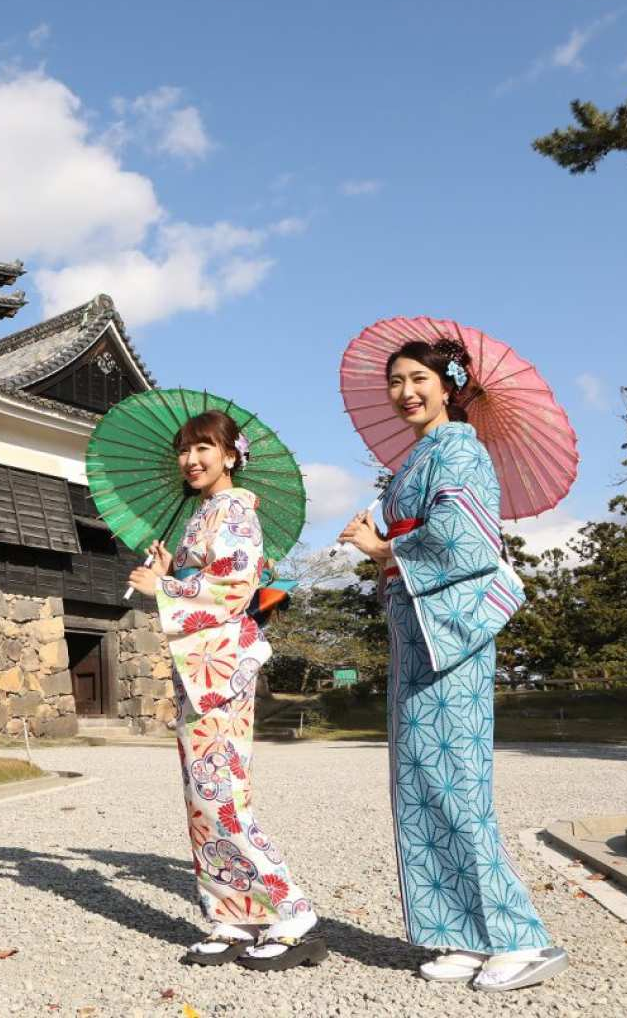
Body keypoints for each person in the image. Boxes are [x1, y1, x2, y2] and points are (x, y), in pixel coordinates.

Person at [338, 338, 567, 992]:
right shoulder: (420, 456)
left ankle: (521, 938)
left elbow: (465, 539)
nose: (405, 391)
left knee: (458, 784)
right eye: (396, 381)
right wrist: (383, 540)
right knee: (422, 783)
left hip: (451, 634)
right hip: (419, 630)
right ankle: (464, 934)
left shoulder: (461, 449)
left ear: (448, 386)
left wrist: (380, 548)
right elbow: (414, 528)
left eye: (418, 378)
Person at [128, 410, 323, 971]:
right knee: (201, 800)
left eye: (202, 449)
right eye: (184, 451)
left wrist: (163, 585)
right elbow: (202, 582)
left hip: (220, 671)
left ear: (231, 455)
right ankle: (234, 914)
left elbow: (235, 591)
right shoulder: (204, 515)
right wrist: (172, 569)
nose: (190, 460)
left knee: (222, 794)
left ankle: (292, 912)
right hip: (200, 669)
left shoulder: (235, 510)